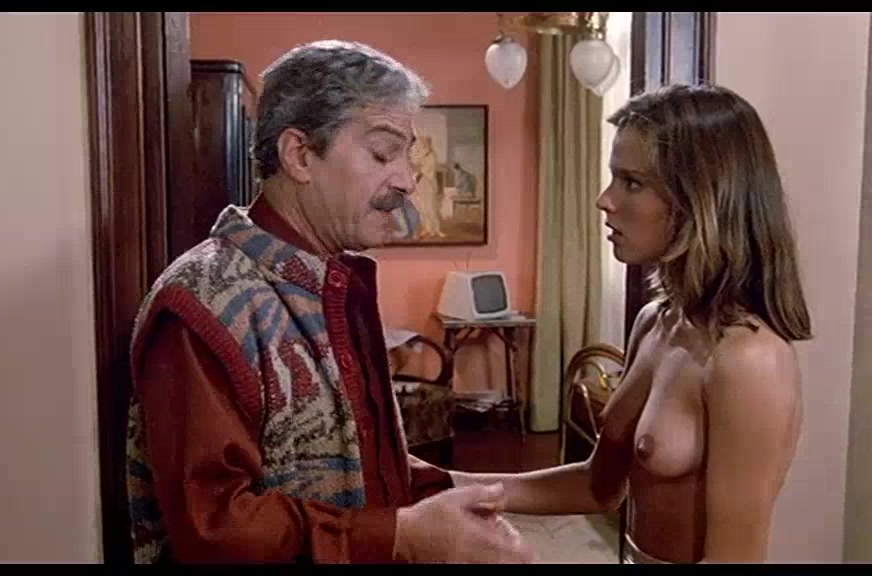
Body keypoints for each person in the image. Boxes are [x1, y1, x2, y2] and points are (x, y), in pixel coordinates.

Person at [123, 39, 535, 564]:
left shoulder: (333, 285)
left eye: (407, 155)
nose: (408, 180)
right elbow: (216, 528)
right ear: (299, 155)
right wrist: (401, 535)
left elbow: (364, 468)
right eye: (383, 153)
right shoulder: (203, 303)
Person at [453, 84, 812, 564]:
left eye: (632, 183)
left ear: (700, 198)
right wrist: (444, 483)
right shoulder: (655, 322)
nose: (605, 200)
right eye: (613, 179)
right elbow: (597, 486)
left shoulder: (748, 359)